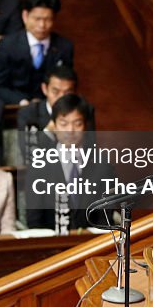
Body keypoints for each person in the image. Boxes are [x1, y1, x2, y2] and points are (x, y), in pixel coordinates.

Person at [24, 94, 109, 231]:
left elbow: (105, 216)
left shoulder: (102, 164)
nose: (70, 130)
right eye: (64, 124)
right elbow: (34, 221)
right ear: (54, 125)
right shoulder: (39, 165)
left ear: (85, 125)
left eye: (77, 123)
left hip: (93, 244)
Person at [0, 0, 75, 105]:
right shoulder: (8, 45)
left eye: (47, 19)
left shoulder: (64, 46)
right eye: (37, 19)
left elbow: (67, 82)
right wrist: (22, 101)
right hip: (17, 105)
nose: (42, 25)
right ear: (25, 16)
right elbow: (1, 87)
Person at [16, 65, 86, 133]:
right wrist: (48, 131)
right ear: (44, 89)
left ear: (75, 92)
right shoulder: (28, 113)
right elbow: (28, 144)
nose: (61, 97)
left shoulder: (83, 110)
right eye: (55, 92)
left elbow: (89, 142)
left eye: (67, 92)